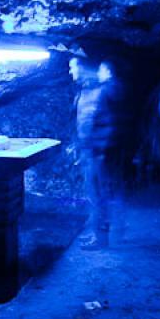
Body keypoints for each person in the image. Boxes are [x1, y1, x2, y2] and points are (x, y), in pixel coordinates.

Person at [69, 57, 122, 249]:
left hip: (98, 153)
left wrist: (99, 148)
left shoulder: (102, 92)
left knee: (98, 194)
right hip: (91, 151)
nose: (70, 71)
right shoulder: (88, 90)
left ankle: (100, 238)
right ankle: (96, 233)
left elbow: (106, 123)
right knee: (95, 194)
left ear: (83, 68)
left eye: (73, 67)